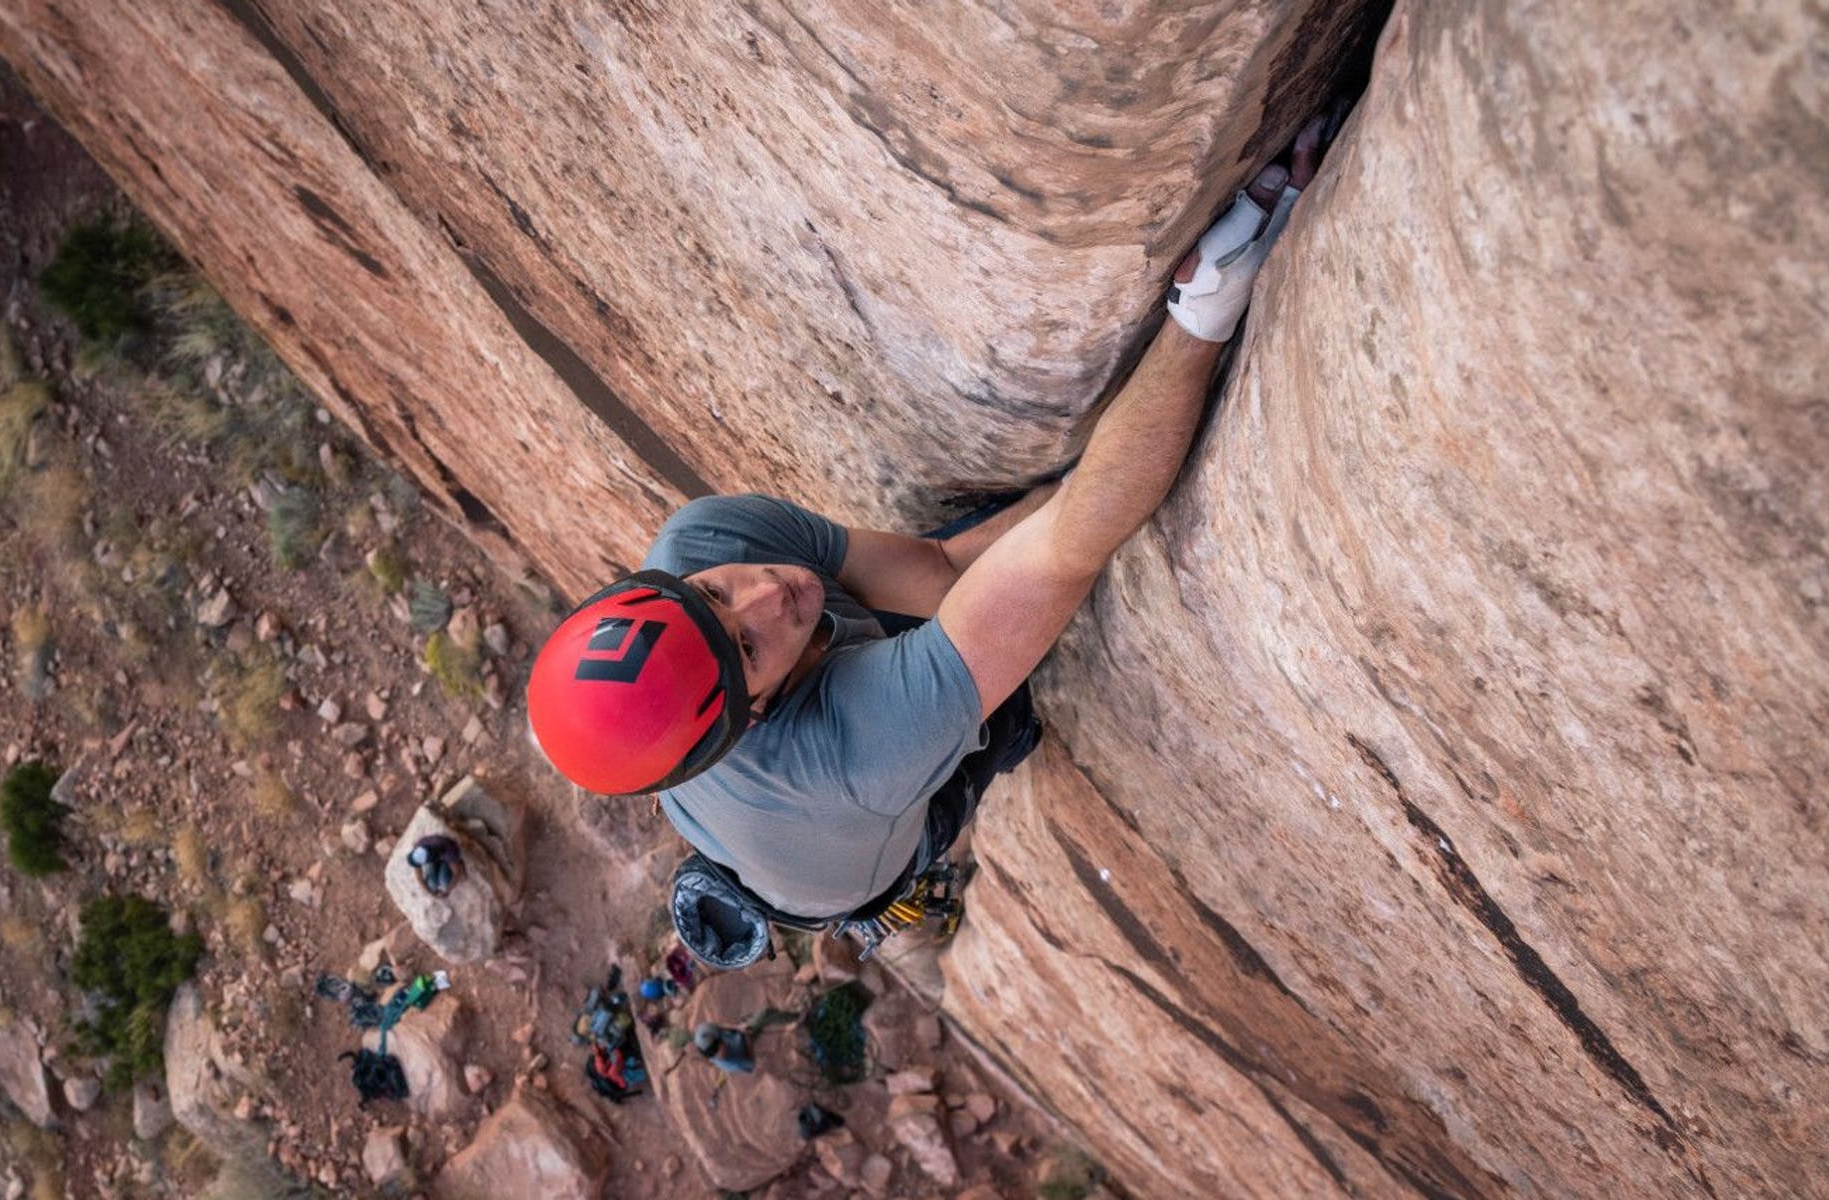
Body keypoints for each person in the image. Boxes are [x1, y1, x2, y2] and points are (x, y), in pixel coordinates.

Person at [527, 122, 1331, 937]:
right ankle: (965, 763)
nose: (769, 590)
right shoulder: (858, 754)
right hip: (849, 875)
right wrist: (1207, 306)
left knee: (971, 591)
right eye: (747, 647)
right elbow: (1068, 550)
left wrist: (1078, 477)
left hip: (750, 827)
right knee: (1000, 712)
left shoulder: (704, 541)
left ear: (663, 583)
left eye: (716, 597)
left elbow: (940, 568)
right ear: (757, 713)